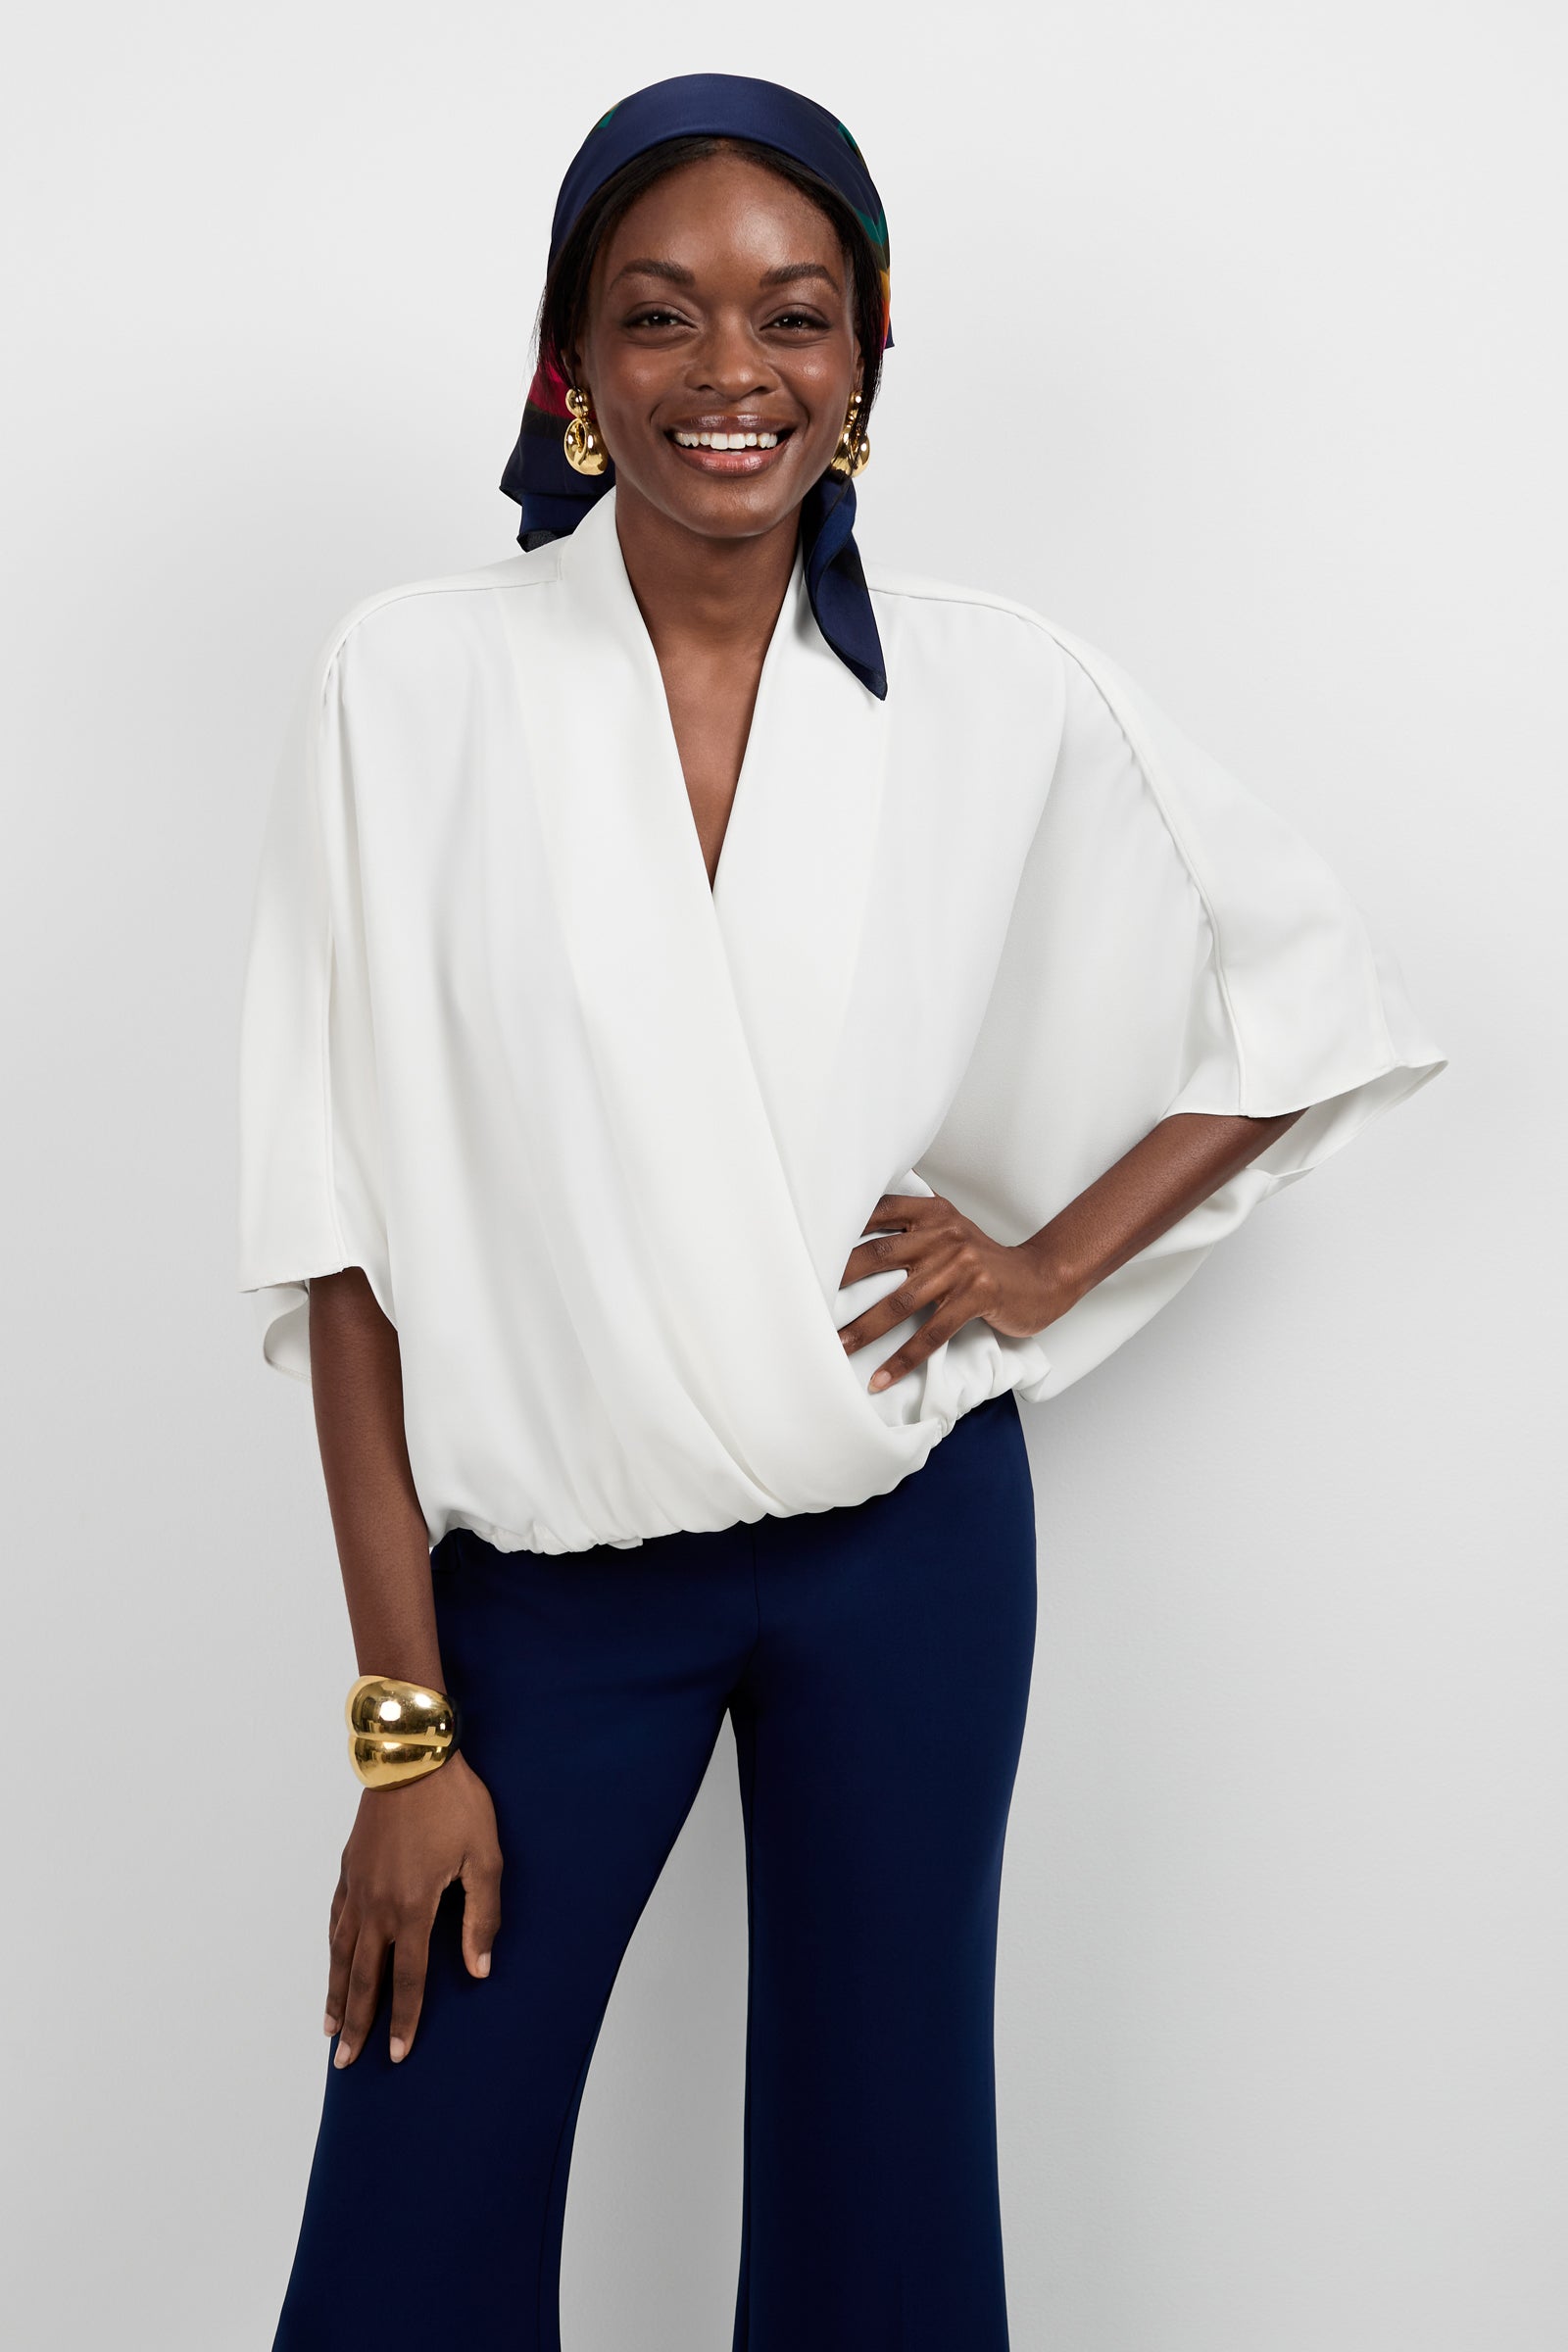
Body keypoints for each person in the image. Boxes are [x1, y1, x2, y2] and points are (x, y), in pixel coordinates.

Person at [237, 72, 1443, 2352]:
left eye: (791, 316)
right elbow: (342, 1228)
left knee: (884, 2206)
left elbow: (1296, 994)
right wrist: (406, 1730)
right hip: (544, 1604)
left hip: (899, 1548)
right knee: (409, 2216)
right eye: (659, 313)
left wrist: (1047, 1258)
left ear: (865, 356)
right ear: (568, 363)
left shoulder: (988, 690)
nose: (729, 375)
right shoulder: (411, 688)